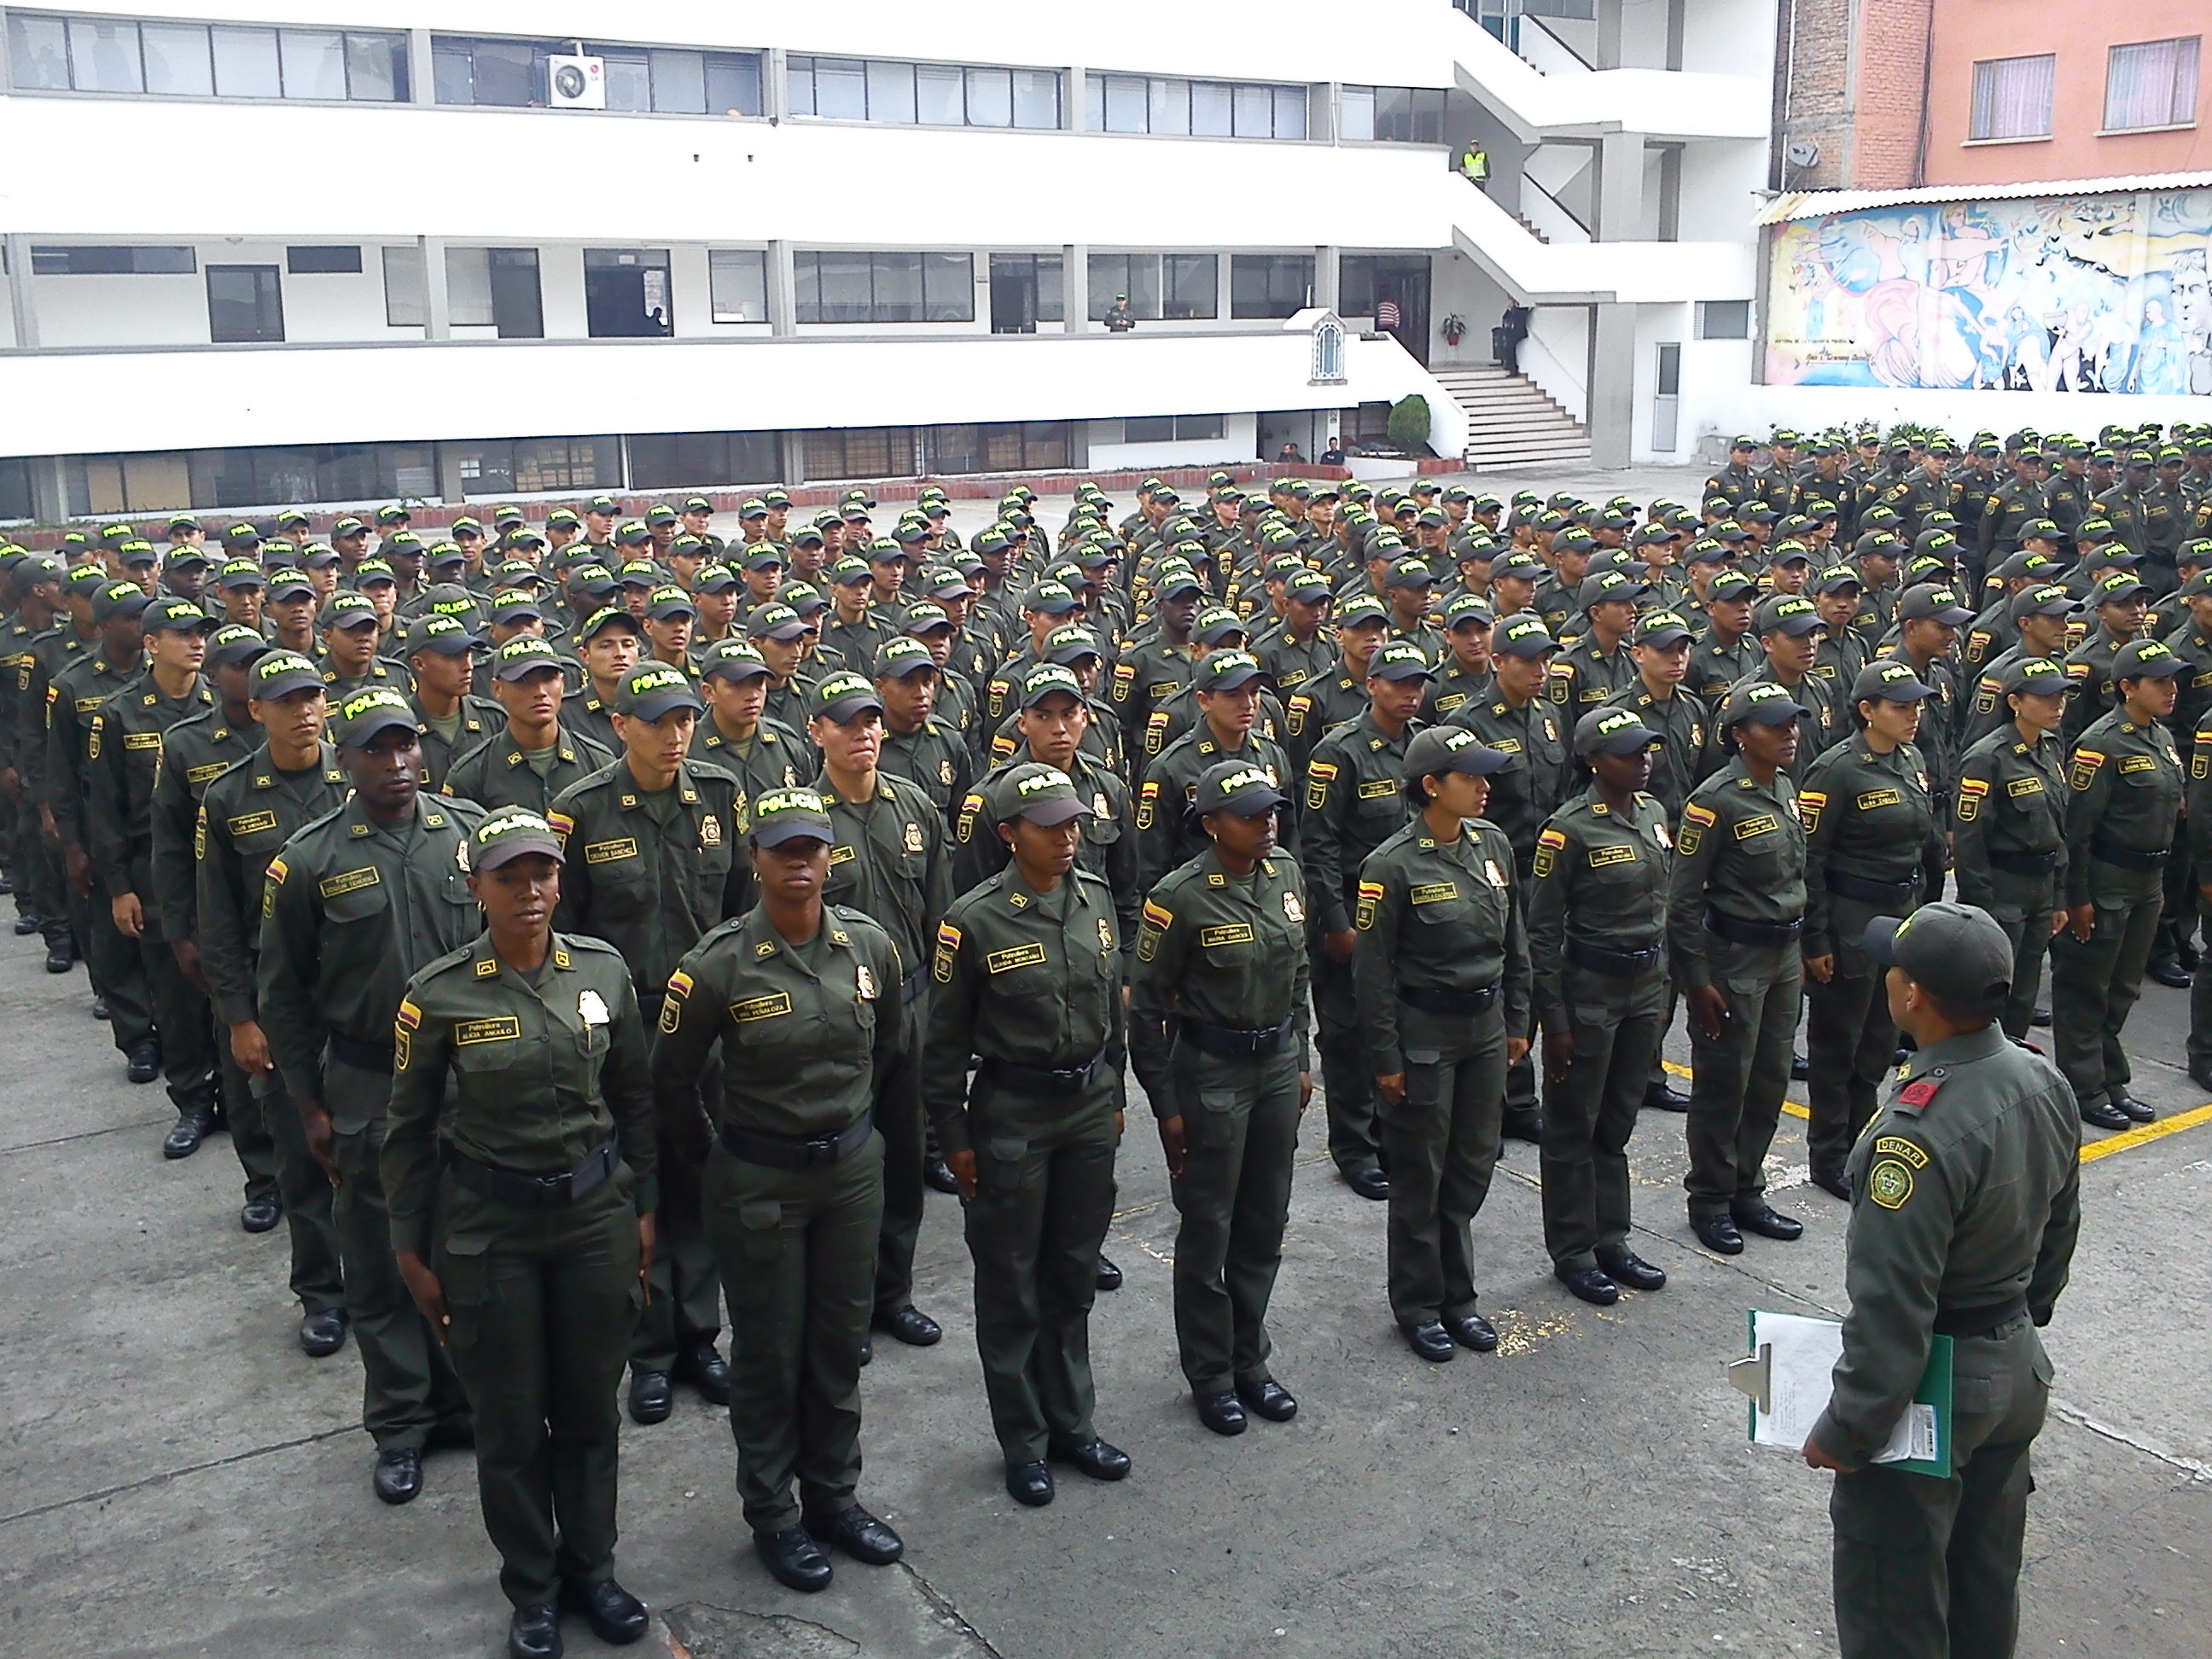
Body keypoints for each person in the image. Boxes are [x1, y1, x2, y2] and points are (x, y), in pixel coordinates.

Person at [383, 809, 657, 1659]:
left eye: (541, 874)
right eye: (509, 877)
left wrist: (643, 1210)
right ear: (475, 889)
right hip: (487, 1229)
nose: (529, 891)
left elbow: (638, 1099)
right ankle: (532, 1590)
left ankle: (593, 1571)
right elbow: (408, 1130)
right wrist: (409, 1249)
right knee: (507, 1424)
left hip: (591, 1220)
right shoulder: (438, 995)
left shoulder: (604, 975)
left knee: (588, 1414)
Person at [1802, 902, 2080, 1659]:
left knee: (1894, 1600)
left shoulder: (1911, 1138)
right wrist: (2022, 1321)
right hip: (2014, 1365)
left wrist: (1848, 1429)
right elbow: (2059, 1227)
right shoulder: (2040, 1078)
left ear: (1913, 994)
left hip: (1938, 1387)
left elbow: (1894, 1308)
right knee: (1983, 1585)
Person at [651, 789, 908, 1594]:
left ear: (832, 858)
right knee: (768, 1355)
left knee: (837, 1346)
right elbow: (670, 1082)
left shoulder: (870, 948)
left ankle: (835, 1497)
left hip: (849, 1175)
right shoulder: (716, 965)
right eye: (782, 850)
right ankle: (773, 1512)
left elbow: (893, 1052)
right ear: (753, 859)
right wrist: (719, 1162)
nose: (799, 863)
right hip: (759, 1180)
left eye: (812, 849)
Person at [257, 686, 484, 1503]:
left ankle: (466, 1403)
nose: (396, 765)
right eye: (375, 752)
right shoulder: (311, 860)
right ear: (345, 761)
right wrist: (308, 1106)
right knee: (383, 1262)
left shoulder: (468, 839)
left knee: (469, 1249)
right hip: (366, 1085)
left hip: (466, 1081)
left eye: (406, 747)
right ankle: (401, 1422)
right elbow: (281, 997)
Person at [924, 763, 1131, 1500]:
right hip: (1012, 1111)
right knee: (1011, 1282)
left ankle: (1073, 1423)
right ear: (1010, 836)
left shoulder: (1096, 901)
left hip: (1085, 1108)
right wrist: (953, 1134)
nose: (1069, 837)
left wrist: (1114, 1090)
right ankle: (1025, 1440)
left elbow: (1112, 1009)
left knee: (1072, 1274)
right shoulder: (973, 920)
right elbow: (942, 1043)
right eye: (1050, 826)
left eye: (1074, 823)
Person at [551, 662, 747, 1425]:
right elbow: (562, 932)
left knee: (701, 1179)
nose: (675, 736)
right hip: (621, 1028)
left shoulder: (722, 797)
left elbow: (734, 914)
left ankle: (699, 1335)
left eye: (686, 721)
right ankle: (649, 1349)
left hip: (702, 1024)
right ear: (619, 725)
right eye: (658, 722)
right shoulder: (582, 811)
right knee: (633, 1184)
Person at [1129, 760, 1311, 1436]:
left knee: (1264, 1220)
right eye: (1250, 815)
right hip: (1211, 1074)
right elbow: (1145, 1013)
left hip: (1274, 1067)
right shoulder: (1180, 897)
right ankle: (1210, 1372)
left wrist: (1302, 1057)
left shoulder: (1285, 874)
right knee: (1209, 1228)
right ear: (1210, 825)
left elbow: (1299, 973)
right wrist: (1165, 1104)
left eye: (1273, 812)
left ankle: (1250, 1358)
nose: (1267, 825)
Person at [1351, 726, 1528, 1362]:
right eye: (1470, 777)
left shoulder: (1493, 845)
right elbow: (1371, 975)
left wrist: (1516, 1020)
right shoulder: (1390, 866)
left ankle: (1461, 1295)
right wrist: (1386, 1060)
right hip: (1424, 1034)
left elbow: (1516, 942)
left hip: (1483, 1031)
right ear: (1431, 787)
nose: (1485, 786)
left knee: (1472, 1164)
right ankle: (1421, 1304)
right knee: (1420, 1175)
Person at [195, 649, 348, 1356]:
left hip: (363, 992)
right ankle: (322, 1293)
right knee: (301, 1152)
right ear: (257, 711)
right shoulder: (229, 798)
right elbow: (219, 920)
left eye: (314, 697)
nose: (306, 711)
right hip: (283, 1004)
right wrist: (239, 1017)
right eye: (287, 701)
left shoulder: (358, 775)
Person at [806, 669, 952, 1353]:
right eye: (846, 724)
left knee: (902, 1155)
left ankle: (893, 1294)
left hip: (912, 1003)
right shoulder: (799, 821)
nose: (863, 735)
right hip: (837, 1012)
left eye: (870, 722)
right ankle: (846, 1303)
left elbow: (941, 915)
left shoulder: (914, 806)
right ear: (818, 733)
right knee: (844, 1167)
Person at [1529, 708, 1674, 1306]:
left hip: (1645, 988)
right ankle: (1572, 1249)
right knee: (1572, 1126)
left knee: (1616, 1122)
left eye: (1647, 750)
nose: (1643, 760)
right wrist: (1554, 1021)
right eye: (1628, 752)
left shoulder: (1654, 813)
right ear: (1593, 760)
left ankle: (1611, 1237)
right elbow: (1541, 933)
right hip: (1591, 990)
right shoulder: (1568, 831)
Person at [1670, 681, 1810, 1256]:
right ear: (1738, 735)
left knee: (1770, 1078)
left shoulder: (1783, 787)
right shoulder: (1715, 801)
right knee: (1725, 1083)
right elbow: (1682, 901)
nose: (1790, 733)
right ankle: (1709, 1199)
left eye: (1793, 723)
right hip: (1735, 958)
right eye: (1775, 725)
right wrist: (1696, 981)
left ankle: (1746, 1188)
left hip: (1784, 956)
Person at [1800, 661, 1943, 1201]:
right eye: (1901, 706)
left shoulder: (1910, 759)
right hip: (1850, 921)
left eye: (1917, 706)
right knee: (1839, 1042)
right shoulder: (1836, 771)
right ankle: (1829, 1152)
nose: (1913, 716)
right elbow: (1810, 862)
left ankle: (1862, 1138)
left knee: (1880, 1041)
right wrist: (1814, 939)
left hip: (1898, 917)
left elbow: (1924, 847)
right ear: (1867, 711)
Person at [1300, 640, 1435, 1200]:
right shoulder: (1340, 751)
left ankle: (1389, 1133)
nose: (1410, 693)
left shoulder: (1423, 746)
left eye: (1418, 683)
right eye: (1399, 682)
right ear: (1371, 685)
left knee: (1395, 1025)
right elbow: (1318, 843)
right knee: (1349, 1033)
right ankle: (1354, 1147)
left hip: (1409, 914)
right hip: (1353, 910)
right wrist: (1335, 921)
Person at [2051, 637, 2185, 1130]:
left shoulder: (2161, 739)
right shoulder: (2100, 745)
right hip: (2106, 880)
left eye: (2173, 680)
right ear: (2127, 688)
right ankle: (2082, 1084)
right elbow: (2079, 831)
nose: (2171, 690)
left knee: (2123, 986)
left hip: (2146, 880)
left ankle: (2110, 1076)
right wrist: (2077, 897)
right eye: (2160, 681)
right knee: (2086, 984)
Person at [1953, 656, 2071, 1041]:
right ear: (2015, 702)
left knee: (2024, 992)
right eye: (2045, 697)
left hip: (2039, 887)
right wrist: (1980, 909)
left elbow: (2058, 827)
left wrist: (2058, 895)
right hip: (2004, 888)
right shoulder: (1987, 758)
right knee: (1990, 993)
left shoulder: (2051, 747)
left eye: (2061, 697)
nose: (2057, 706)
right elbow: (1971, 842)